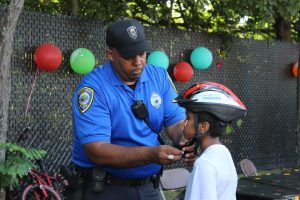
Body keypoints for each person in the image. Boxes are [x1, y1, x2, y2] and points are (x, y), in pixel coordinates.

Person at [70, 17, 196, 200]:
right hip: (106, 189)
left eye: (142, 53)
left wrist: (187, 139)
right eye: (129, 56)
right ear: (110, 54)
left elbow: (176, 124)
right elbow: (97, 151)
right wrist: (152, 154)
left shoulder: (158, 76)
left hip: (150, 187)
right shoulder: (93, 89)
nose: (138, 61)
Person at [173, 81, 247, 200]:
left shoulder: (204, 163)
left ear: (203, 127)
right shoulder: (224, 154)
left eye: (188, 118)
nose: (184, 122)